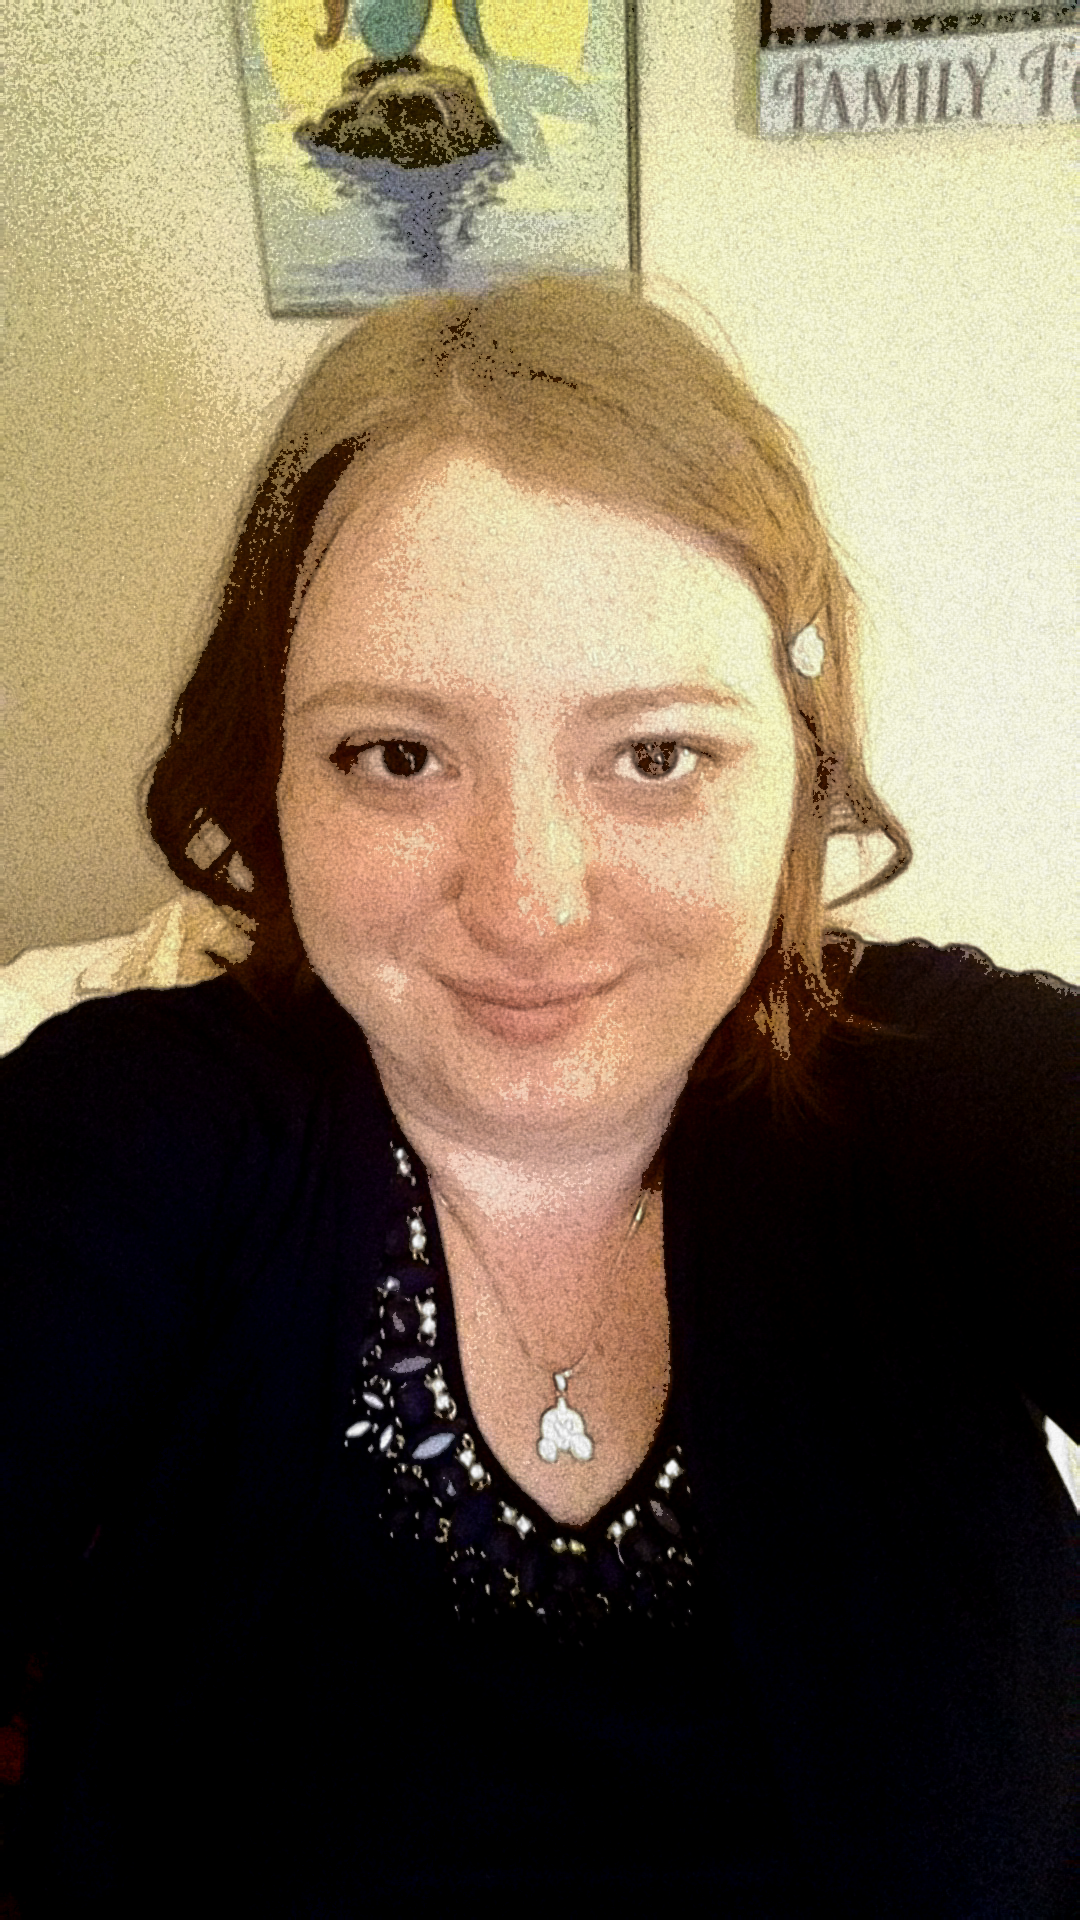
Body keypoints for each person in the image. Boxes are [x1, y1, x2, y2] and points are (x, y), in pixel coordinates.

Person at [1, 273, 1076, 1918]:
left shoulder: (943, 1092)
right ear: (271, 772)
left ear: (800, 766)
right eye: (398, 755)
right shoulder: (124, 1136)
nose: (528, 903)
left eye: (654, 756)